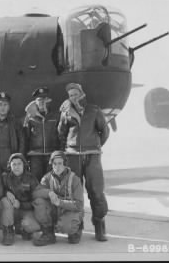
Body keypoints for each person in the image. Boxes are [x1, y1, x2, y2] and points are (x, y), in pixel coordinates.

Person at [58, 82, 110, 241]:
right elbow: (61, 133)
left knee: (96, 191)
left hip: (92, 155)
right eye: (71, 95)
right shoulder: (66, 112)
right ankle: (76, 227)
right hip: (73, 156)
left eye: (76, 94)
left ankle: (99, 224)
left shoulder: (94, 110)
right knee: (74, 193)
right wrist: (69, 149)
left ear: (82, 93)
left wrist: (94, 146)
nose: (73, 97)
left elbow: (104, 132)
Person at [32, 151, 84, 246]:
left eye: (60, 163)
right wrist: (49, 192)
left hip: (70, 210)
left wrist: (60, 202)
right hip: (55, 211)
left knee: (67, 227)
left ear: (65, 164)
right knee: (39, 202)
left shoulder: (75, 179)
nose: (57, 166)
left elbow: (79, 205)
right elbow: (35, 193)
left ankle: (76, 229)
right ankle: (48, 234)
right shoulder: (47, 178)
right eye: (54, 164)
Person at [0, 153, 41, 245]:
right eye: (14, 164)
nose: (16, 167)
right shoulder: (5, 177)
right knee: (4, 201)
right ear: (10, 165)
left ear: (24, 165)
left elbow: (37, 200)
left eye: (19, 164)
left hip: (26, 210)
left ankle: (22, 228)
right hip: (10, 211)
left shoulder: (31, 178)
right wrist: (6, 192)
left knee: (34, 226)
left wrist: (21, 205)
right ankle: (8, 231)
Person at [23, 87, 60, 181]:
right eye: (39, 100)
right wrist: (25, 156)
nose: (42, 102)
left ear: (48, 101)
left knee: (51, 181)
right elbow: (25, 137)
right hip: (35, 156)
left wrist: (59, 153)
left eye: (44, 100)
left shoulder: (55, 116)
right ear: (35, 102)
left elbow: (60, 135)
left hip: (51, 155)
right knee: (35, 181)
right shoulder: (30, 118)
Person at [0, 92, 25, 174]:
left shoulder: (15, 122)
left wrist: (20, 157)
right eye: (0, 104)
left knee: (9, 180)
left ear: (9, 107)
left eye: (5, 104)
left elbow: (22, 140)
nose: (2, 107)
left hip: (9, 154)